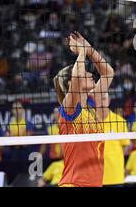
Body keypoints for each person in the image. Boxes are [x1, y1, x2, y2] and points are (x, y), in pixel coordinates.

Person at [54, 31, 114, 187]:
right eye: (86, 72)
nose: (90, 74)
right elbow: (78, 77)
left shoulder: (92, 103)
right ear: (70, 84)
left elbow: (108, 73)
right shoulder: (69, 108)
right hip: (73, 184)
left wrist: (89, 50)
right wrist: (81, 53)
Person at [103, 109, 130, 187]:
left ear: (109, 101)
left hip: (114, 175)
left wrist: (112, 158)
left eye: (104, 99)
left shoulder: (119, 121)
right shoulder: (90, 120)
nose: (100, 101)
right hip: (94, 174)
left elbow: (126, 146)